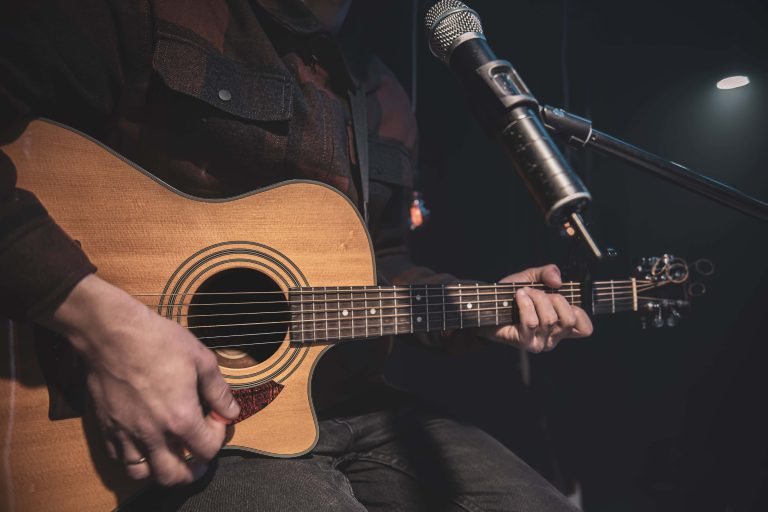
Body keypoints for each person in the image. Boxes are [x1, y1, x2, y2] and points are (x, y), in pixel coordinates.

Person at [0, 0, 592, 509]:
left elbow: (375, 260)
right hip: (164, 417)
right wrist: (103, 326)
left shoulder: (383, 95)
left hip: (348, 406)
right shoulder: (143, 10)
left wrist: (481, 308)